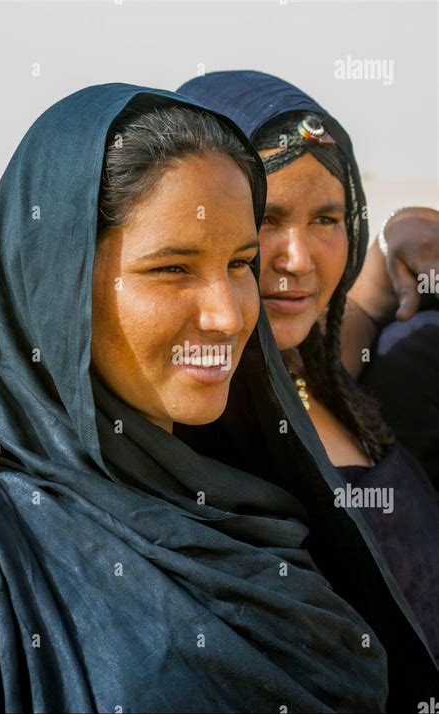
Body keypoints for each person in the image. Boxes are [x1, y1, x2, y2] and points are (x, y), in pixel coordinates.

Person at [0, 81, 436, 713]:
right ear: (55, 282)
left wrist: (400, 235)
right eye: (172, 269)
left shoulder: (256, 494)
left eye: (240, 263)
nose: (226, 315)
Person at [177, 70, 439, 664]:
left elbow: (366, 302)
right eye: (265, 219)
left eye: (326, 220)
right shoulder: (181, 409)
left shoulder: (322, 370)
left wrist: (404, 235)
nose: (297, 259)